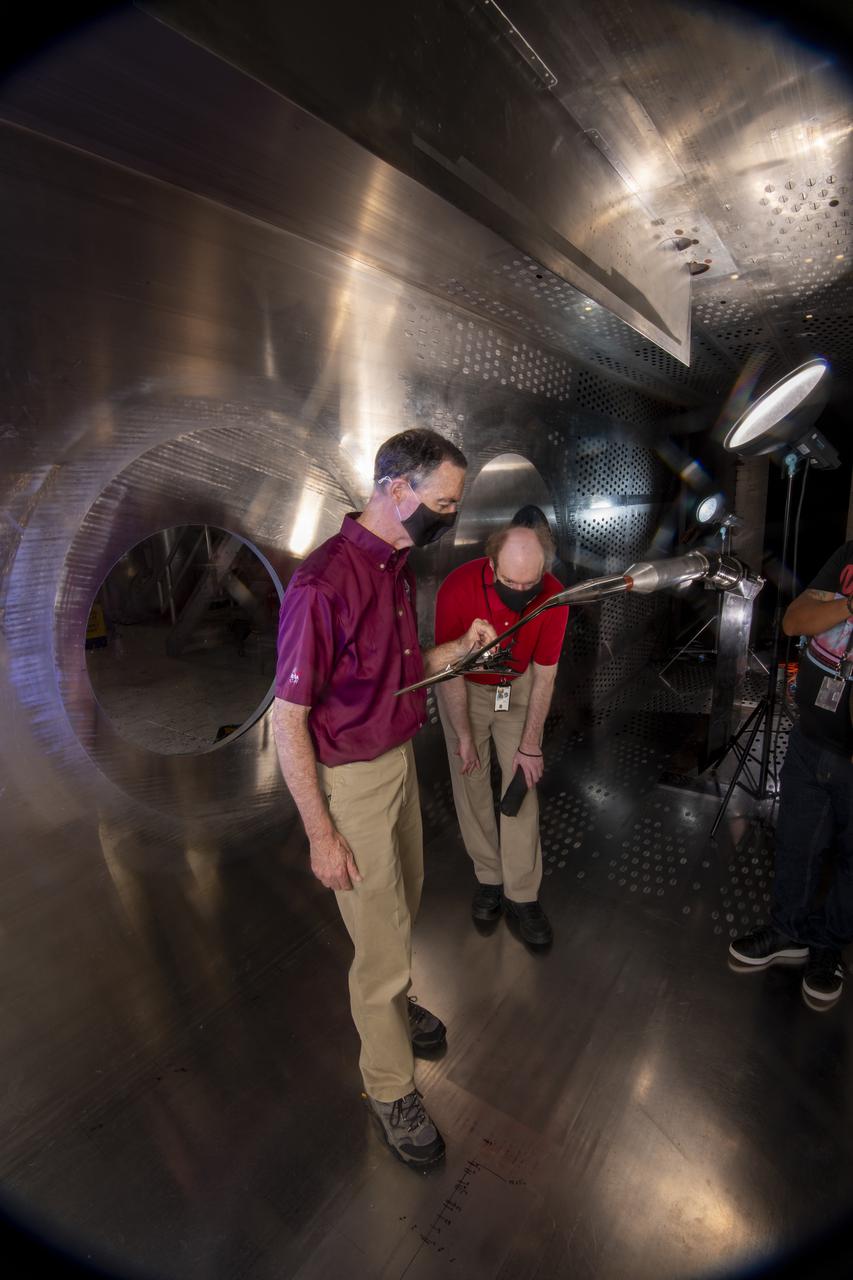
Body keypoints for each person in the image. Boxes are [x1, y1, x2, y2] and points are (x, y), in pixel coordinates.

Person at [272, 428, 496, 1169]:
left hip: (397, 761)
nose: (448, 519)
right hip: (353, 786)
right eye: (441, 504)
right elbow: (288, 719)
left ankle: (397, 1010)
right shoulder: (322, 585)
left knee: (404, 901)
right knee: (376, 944)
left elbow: (395, 677)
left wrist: (459, 650)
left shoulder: (394, 569)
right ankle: (390, 1088)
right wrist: (321, 834)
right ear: (395, 487)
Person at [729, 538, 853, 1007]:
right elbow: (796, 619)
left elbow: (820, 611)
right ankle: (789, 931)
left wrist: (835, 607)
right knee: (797, 842)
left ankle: (828, 947)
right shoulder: (847, 555)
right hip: (810, 740)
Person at [434, 521, 569, 945]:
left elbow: (545, 677)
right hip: (466, 687)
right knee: (470, 779)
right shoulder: (457, 588)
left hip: (518, 687)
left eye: (530, 583)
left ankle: (521, 892)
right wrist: (463, 736)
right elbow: (448, 668)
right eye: (511, 581)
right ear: (492, 564)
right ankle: (489, 876)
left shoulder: (554, 596)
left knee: (521, 784)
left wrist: (531, 746)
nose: (521, 591)